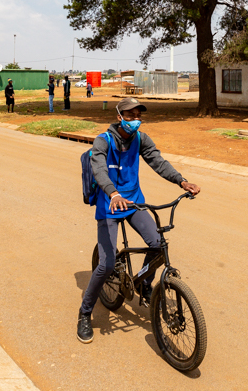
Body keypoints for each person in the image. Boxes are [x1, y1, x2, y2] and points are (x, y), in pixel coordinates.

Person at [77, 97, 200, 344]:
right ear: (119, 116)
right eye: (130, 115)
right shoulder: (104, 140)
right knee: (107, 263)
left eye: (138, 115)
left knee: (157, 243)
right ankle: (84, 313)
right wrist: (112, 193)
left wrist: (181, 180)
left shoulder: (141, 139)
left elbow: (157, 161)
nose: (135, 119)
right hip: (110, 204)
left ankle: (144, 284)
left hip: (133, 202)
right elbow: (99, 169)